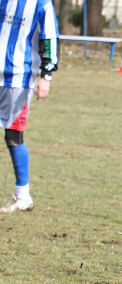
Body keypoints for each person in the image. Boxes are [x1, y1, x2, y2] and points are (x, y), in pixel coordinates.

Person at [0, 0, 58, 213]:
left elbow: (49, 37)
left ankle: (23, 196)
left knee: (13, 136)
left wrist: (46, 75)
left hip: (19, 78)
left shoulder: (42, 4)